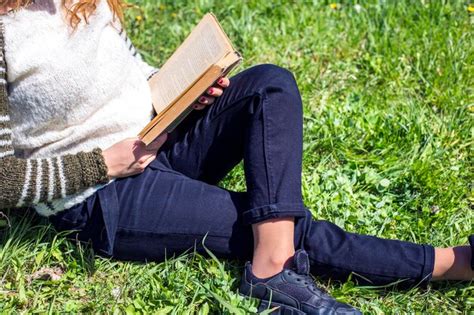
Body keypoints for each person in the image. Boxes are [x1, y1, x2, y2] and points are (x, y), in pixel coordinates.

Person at [0, 0, 472, 314]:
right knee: (274, 225)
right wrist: (104, 163)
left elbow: (126, 72)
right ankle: (447, 262)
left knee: (271, 84)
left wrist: (184, 91)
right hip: (101, 193)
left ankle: (273, 266)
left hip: (159, 136)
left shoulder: (82, 2)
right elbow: (3, 180)